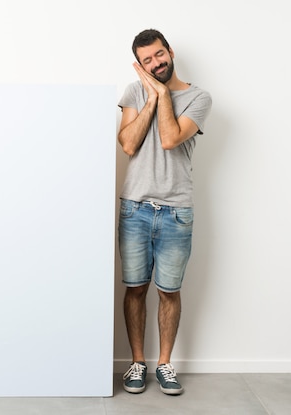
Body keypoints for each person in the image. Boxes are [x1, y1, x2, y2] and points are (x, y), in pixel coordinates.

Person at [117, 29, 212, 396]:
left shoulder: (199, 97)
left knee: (169, 291)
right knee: (135, 289)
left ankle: (165, 364)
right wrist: (154, 96)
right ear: (140, 65)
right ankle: (138, 362)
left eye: (159, 55)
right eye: (147, 61)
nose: (155, 63)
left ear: (169, 51)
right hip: (135, 208)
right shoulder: (133, 92)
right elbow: (128, 143)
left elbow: (171, 138)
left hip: (176, 211)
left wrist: (161, 94)